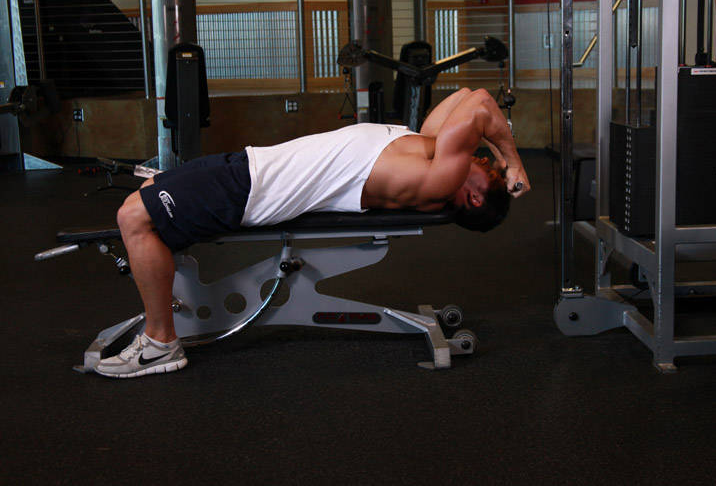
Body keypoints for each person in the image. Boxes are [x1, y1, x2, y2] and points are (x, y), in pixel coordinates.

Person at [94, 87, 531, 379]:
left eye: (488, 169)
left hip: (253, 191)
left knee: (134, 217)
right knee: (147, 194)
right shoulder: (431, 151)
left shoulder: (438, 179)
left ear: (475, 198)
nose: (484, 158)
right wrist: (501, 154)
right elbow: (467, 96)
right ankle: (164, 311)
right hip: (251, 167)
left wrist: (512, 163)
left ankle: (160, 342)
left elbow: (480, 107)